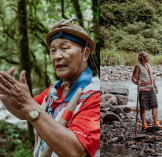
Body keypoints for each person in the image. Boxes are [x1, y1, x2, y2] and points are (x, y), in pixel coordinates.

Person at [0, 15, 100, 157]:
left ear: (85, 54)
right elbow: (23, 112)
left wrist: (27, 104)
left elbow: (76, 151)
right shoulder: (54, 89)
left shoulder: (95, 94)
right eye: (53, 50)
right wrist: (3, 92)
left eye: (64, 48)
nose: (57, 56)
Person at [132, 52, 161, 130]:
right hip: (142, 90)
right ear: (142, 58)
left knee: (155, 106)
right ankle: (144, 124)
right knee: (143, 108)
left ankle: (155, 122)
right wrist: (136, 82)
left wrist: (155, 87)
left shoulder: (149, 66)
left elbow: (152, 78)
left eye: (148, 56)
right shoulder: (138, 67)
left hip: (151, 89)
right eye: (146, 56)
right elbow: (133, 78)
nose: (148, 57)